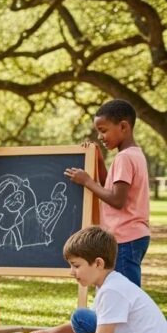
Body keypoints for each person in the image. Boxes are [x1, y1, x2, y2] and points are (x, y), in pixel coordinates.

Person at [30, 226, 167, 333]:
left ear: (98, 263)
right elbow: (98, 322)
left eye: (76, 266)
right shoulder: (107, 283)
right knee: (80, 317)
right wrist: (53, 332)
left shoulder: (113, 290)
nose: (71, 272)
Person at [64, 99, 150, 287]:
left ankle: (129, 318)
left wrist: (87, 181)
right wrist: (99, 161)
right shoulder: (134, 154)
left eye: (103, 130)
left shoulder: (124, 158)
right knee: (118, 288)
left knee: (125, 291)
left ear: (123, 126)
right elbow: (109, 189)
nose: (100, 136)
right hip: (132, 236)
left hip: (125, 237)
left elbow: (117, 200)